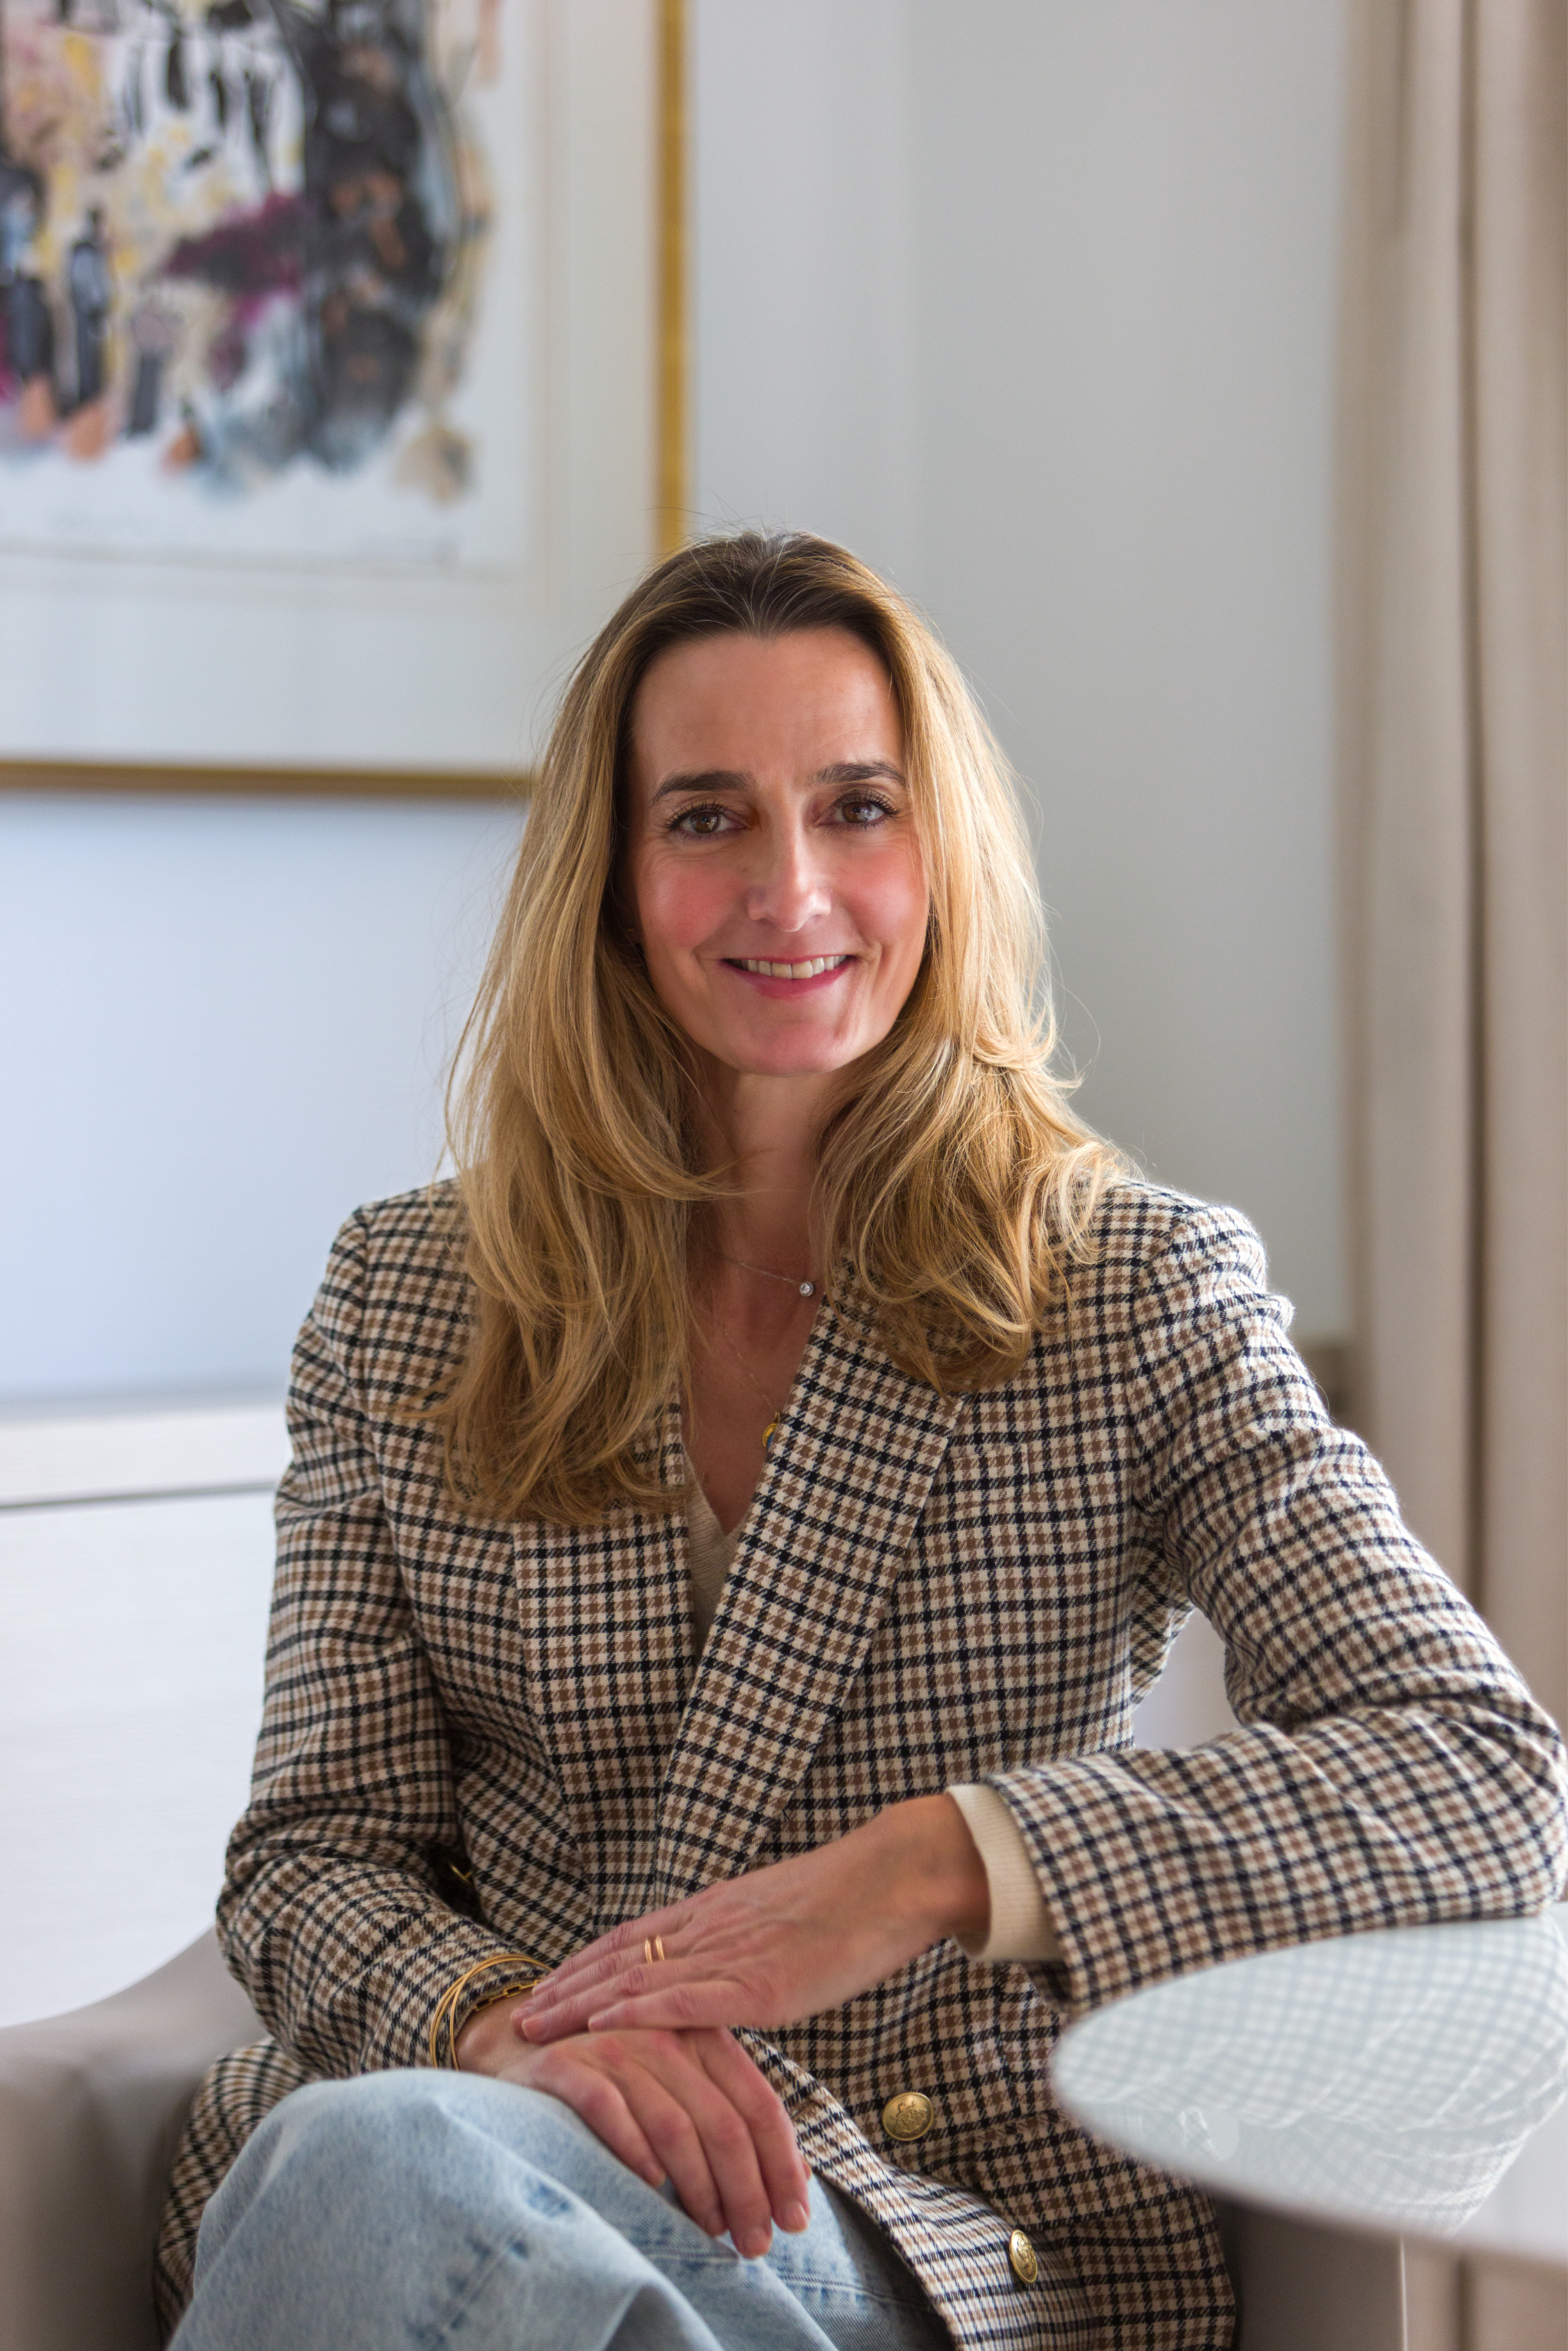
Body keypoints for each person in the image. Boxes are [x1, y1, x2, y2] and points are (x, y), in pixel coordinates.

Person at [159, 531, 1566, 2351]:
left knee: (373, 2190)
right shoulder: (412, 1295)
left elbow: (1478, 1770)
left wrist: (934, 1863)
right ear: (609, 879)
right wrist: (498, 2025)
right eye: (707, 819)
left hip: (926, 2227)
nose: (792, 888)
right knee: (388, 2172)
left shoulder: (1130, 1289)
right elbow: (311, 1855)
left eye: (855, 807)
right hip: (480, 2145)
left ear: (939, 850)